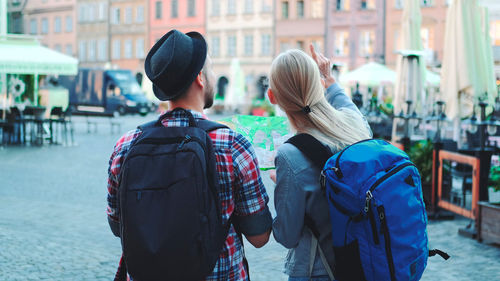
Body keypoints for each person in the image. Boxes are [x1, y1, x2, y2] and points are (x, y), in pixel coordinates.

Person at [107, 30, 273, 280]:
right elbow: (259, 237)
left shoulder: (125, 146)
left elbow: (118, 225)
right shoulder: (232, 145)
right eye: (212, 69)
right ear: (200, 78)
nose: (214, 76)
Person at [268, 45, 372, 281]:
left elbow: (287, 235)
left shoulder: (289, 155)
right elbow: (346, 105)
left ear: (272, 97)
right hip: (365, 263)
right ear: (319, 86)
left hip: (319, 272)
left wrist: (281, 185)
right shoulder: (355, 125)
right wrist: (330, 81)